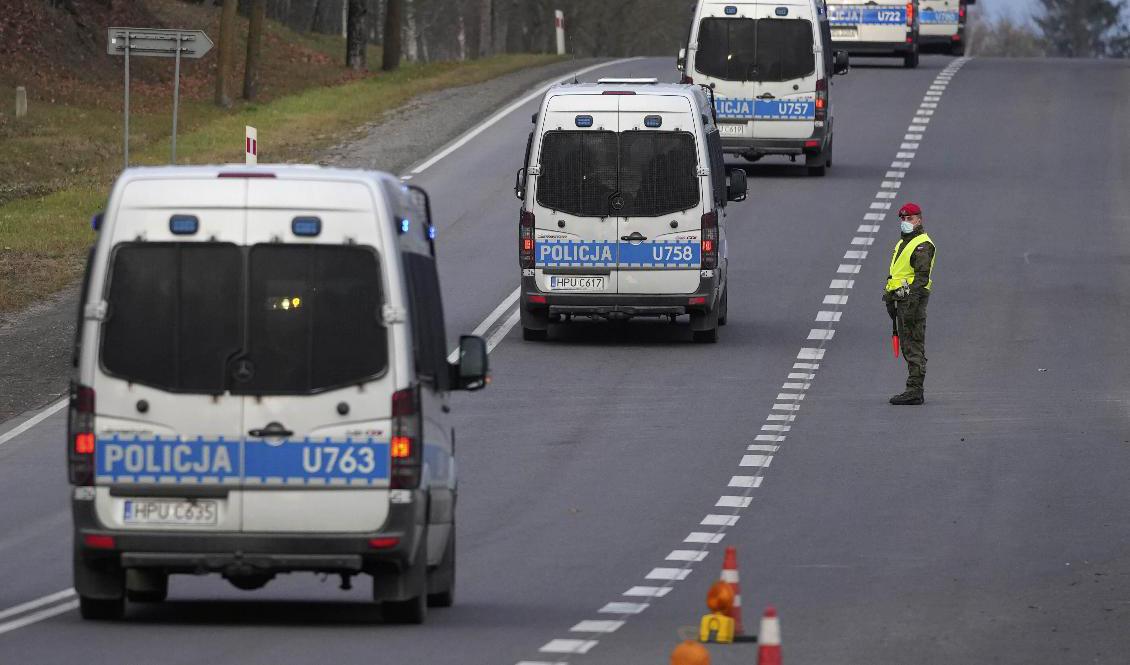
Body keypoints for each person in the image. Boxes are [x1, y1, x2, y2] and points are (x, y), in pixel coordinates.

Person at [883, 202, 935, 405]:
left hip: (913, 301)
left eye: (910, 219)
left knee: (913, 344)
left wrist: (912, 304)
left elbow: (921, 278)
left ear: (919, 220)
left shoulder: (922, 244)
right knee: (907, 344)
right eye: (903, 219)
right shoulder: (904, 242)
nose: (905, 222)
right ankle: (913, 388)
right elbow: (898, 273)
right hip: (901, 300)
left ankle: (915, 389)